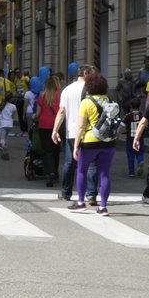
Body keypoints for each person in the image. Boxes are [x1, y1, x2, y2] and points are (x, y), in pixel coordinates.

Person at [68, 74, 117, 215]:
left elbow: (81, 126)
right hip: (108, 142)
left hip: (90, 141)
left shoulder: (86, 102)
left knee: (82, 170)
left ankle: (81, 202)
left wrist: (76, 146)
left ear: (89, 86)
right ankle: (103, 207)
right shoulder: (111, 101)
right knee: (105, 173)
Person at [52, 64, 100, 203]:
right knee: (91, 163)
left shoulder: (66, 90)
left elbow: (62, 111)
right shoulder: (91, 89)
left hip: (72, 132)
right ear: (85, 73)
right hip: (89, 132)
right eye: (92, 73)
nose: (94, 75)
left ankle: (66, 192)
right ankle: (91, 195)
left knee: (70, 163)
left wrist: (55, 130)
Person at [35, 75, 63, 187]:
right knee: (56, 151)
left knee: (47, 151)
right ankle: (55, 173)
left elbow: (37, 114)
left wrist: (34, 117)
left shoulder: (42, 96)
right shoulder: (61, 96)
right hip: (57, 126)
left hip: (44, 126)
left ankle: (49, 173)